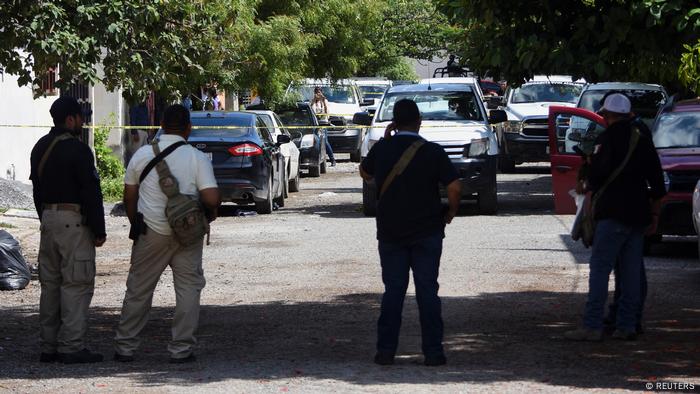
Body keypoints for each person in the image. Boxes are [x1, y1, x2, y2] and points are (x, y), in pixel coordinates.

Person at [114, 105, 221, 363]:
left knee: (139, 289)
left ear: (162, 123)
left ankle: (125, 348)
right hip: (188, 234)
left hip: (151, 232)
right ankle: (181, 349)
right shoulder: (197, 157)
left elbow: (129, 196)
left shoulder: (141, 156)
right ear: (188, 128)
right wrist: (211, 211)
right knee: (188, 290)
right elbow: (211, 197)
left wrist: (136, 223)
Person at [360, 99, 462, 366]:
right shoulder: (433, 151)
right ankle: (433, 352)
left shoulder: (382, 148)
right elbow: (454, 187)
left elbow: (364, 173)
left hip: (391, 232)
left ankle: (385, 351)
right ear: (419, 123)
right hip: (428, 231)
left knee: (393, 291)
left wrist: (384, 140)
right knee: (427, 291)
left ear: (394, 123)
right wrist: (450, 212)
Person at [565, 93, 666, 342]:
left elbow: (595, 179)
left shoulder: (606, 139)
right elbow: (658, 185)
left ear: (607, 116)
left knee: (600, 269)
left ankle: (592, 325)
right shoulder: (643, 139)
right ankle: (627, 325)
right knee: (631, 272)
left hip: (611, 214)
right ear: (629, 114)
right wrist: (653, 214)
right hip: (638, 213)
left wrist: (585, 181)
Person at [29, 96, 106, 364]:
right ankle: (71, 346)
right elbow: (91, 192)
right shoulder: (79, 150)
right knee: (76, 284)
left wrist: (45, 217)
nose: (82, 122)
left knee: (50, 286)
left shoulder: (40, 147)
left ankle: (48, 347)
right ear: (71, 119)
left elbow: (37, 190)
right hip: (73, 223)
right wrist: (98, 229)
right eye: (80, 117)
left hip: (48, 220)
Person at [310, 87, 336, 166]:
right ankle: (317, 159)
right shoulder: (313, 101)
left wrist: (323, 100)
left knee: (325, 141)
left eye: (319, 92)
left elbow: (327, 113)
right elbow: (311, 111)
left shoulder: (325, 101)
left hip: (323, 123)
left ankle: (332, 159)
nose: (318, 94)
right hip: (315, 124)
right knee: (315, 141)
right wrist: (314, 100)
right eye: (316, 92)